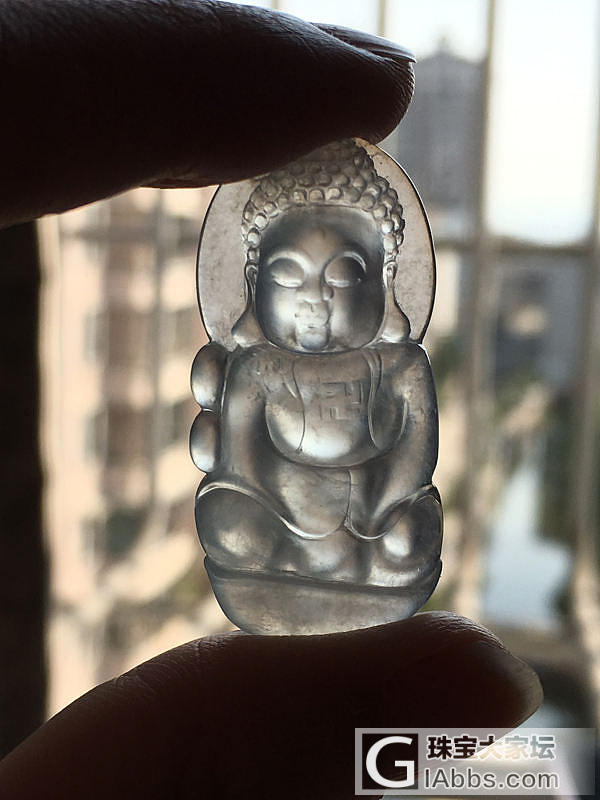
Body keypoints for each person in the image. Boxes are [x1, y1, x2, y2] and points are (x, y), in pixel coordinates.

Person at [0, 2, 542, 797]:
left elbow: (410, 458)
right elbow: (246, 458)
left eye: (346, 276)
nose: (317, 299)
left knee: (410, 527)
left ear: (388, 286)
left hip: (368, 523)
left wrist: (376, 511)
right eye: (289, 277)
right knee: (230, 511)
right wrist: (276, 507)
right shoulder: (255, 371)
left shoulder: (397, 369)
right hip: (277, 517)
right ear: (251, 285)